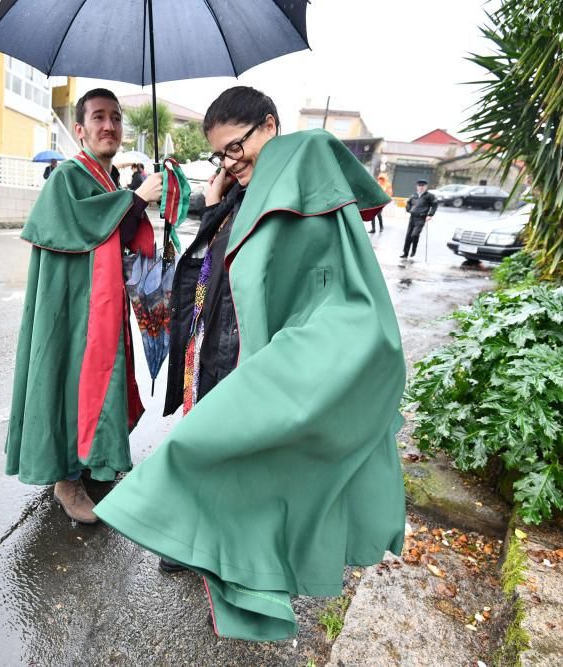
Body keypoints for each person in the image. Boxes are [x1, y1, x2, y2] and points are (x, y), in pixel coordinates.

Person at [94, 86, 406, 641]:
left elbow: (320, 284)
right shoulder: (250, 189)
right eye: (220, 155)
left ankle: (240, 567)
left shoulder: (301, 167)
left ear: (269, 125)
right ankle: (206, 548)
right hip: (214, 345)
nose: (229, 163)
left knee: (229, 459)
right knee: (222, 458)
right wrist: (217, 199)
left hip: (252, 354)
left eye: (236, 149)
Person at [4, 88, 164, 524]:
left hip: (97, 302)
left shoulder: (105, 178)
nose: (108, 125)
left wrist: (138, 205)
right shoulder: (69, 176)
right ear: (80, 130)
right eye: (98, 117)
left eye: (115, 117)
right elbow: (85, 225)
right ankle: (66, 479)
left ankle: (93, 461)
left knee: (94, 378)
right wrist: (135, 199)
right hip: (73, 307)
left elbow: (113, 231)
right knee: (73, 376)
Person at [402, 179, 438, 259]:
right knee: (408, 236)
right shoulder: (413, 195)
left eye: (423, 186)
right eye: (419, 186)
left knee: (414, 235)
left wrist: (430, 215)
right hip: (412, 218)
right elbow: (408, 203)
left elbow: (435, 205)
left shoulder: (429, 196)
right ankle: (405, 253)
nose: (421, 188)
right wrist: (408, 209)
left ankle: (413, 250)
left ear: (426, 187)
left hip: (421, 218)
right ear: (417, 186)